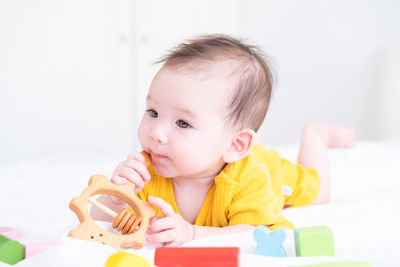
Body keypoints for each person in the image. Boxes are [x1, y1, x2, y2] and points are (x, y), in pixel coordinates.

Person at [91, 34, 356, 247]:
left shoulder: (253, 178)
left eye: (183, 123)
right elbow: (99, 221)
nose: (156, 133)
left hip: (272, 171)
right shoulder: (146, 170)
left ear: (235, 145)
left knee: (318, 192)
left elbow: (253, 232)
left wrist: (193, 234)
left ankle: (316, 136)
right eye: (153, 112)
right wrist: (116, 198)